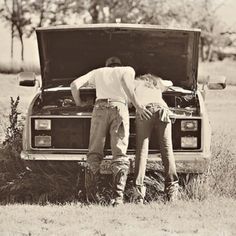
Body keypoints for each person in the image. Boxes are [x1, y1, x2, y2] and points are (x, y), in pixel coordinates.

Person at [70, 57, 152, 205]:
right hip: (119, 107)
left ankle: (92, 197)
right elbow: (126, 84)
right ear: (119, 65)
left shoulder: (98, 72)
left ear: (107, 65)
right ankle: (117, 198)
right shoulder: (127, 69)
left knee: (94, 153)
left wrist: (80, 103)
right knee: (119, 153)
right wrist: (138, 106)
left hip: (99, 108)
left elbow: (74, 85)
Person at [133, 73, 179, 203]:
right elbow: (170, 82)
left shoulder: (134, 83)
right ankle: (172, 191)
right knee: (167, 150)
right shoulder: (157, 83)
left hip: (145, 110)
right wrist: (158, 81)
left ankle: (138, 193)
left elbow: (130, 100)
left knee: (142, 152)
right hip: (162, 110)